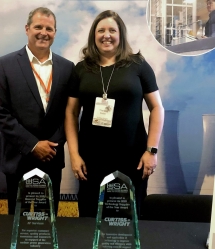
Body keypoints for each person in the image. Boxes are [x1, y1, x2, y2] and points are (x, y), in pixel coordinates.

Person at [65, 10, 164, 218]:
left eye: (112, 30)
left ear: (121, 34)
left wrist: (151, 151)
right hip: (90, 161)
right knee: (90, 219)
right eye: (101, 30)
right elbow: (71, 113)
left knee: (128, 221)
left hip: (132, 160)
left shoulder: (138, 65)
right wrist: (74, 155)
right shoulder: (81, 69)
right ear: (94, 35)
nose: (106, 35)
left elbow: (157, 108)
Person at [0, 7, 75, 215]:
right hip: (17, 159)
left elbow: (70, 113)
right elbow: (1, 114)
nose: (43, 32)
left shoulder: (67, 68)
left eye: (49, 28)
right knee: (18, 225)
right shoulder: (3, 65)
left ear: (55, 32)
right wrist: (33, 145)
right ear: (27, 29)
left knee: (49, 224)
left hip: (51, 159)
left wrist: (50, 146)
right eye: (38, 27)